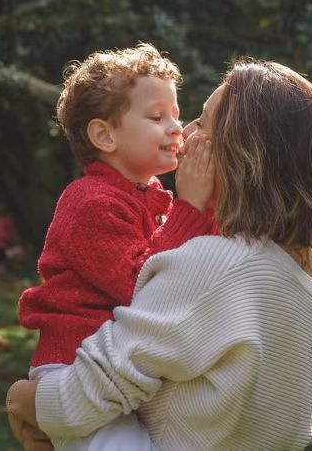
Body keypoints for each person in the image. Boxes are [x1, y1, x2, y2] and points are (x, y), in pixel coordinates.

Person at [7, 59, 312, 450]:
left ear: (244, 154)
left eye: (202, 122)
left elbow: (87, 394)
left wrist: (21, 402)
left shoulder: (214, 264)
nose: (184, 132)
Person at [16, 43, 216, 450]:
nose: (176, 128)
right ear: (104, 135)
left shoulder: (150, 196)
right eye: (157, 117)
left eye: (176, 114)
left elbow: (189, 258)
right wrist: (192, 206)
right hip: (75, 365)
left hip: (118, 365)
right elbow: (143, 284)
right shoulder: (89, 201)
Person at [0, 203, 16, 274]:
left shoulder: (2, 221)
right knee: (2, 258)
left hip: (2, 243)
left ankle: (3, 271)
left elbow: (0, 232)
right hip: (2, 243)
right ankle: (3, 271)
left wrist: (7, 238)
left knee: (1, 258)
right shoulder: (4, 220)